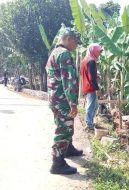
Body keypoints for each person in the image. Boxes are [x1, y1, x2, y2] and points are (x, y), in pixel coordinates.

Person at [46, 27, 83, 175]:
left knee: (67, 125)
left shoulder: (54, 53)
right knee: (63, 130)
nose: (76, 45)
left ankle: (68, 149)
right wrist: (73, 103)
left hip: (55, 98)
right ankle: (57, 163)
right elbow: (68, 81)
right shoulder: (64, 54)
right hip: (62, 100)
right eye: (75, 42)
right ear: (68, 39)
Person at [80, 43, 103, 131]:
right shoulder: (91, 61)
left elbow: (86, 74)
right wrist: (97, 89)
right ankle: (89, 124)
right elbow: (92, 78)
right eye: (98, 51)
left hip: (86, 85)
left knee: (95, 105)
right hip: (91, 87)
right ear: (93, 50)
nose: (99, 53)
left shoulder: (85, 59)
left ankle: (90, 122)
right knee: (91, 106)